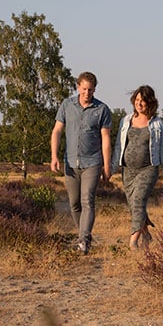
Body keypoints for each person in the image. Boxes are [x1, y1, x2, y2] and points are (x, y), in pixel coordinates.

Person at [50, 71, 112, 254]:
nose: (87, 93)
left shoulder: (102, 110)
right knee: (74, 203)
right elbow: (57, 131)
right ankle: (83, 236)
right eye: (84, 89)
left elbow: (106, 139)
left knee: (87, 201)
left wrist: (107, 166)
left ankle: (83, 240)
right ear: (78, 87)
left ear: (95, 90)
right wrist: (54, 156)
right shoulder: (66, 105)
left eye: (90, 90)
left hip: (92, 162)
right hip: (70, 163)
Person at [112, 84, 163, 250]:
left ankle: (133, 242)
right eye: (137, 100)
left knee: (138, 201)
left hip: (148, 169)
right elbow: (118, 145)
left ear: (150, 102)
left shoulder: (157, 124)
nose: (139, 104)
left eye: (143, 101)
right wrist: (111, 169)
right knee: (134, 206)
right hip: (128, 170)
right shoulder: (125, 121)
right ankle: (146, 235)